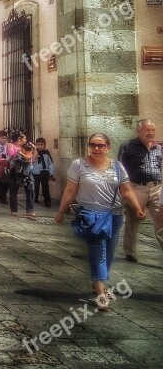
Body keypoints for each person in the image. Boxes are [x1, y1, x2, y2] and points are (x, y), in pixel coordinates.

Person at [55, 133, 146, 311]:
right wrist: (60, 212)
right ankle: (101, 291)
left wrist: (137, 209)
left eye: (100, 145)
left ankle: (99, 282)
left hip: (115, 215)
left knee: (110, 252)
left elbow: (126, 190)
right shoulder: (79, 165)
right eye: (93, 145)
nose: (96, 148)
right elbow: (70, 190)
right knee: (99, 252)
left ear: (108, 147)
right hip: (91, 215)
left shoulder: (118, 167)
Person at [118, 119, 162, 262]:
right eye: (147, 130)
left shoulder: (159, 148)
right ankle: (129, 251)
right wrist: (123, 188)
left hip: (156, 187)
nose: (151, 133)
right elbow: (120, 168)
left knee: (161, 217)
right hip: (136, 186)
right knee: (133, 219)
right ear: (138, 131)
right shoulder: (128, 146)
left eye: (152, 130)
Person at [32, 137, 55, 208]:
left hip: (45, 172)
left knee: (45, 187)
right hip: (35, 172)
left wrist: (51, 173)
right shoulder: (34, 152)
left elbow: (50, 163)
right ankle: (35, 198)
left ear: (44, 145)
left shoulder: (47, 153)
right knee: (36, 186)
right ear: (35, 145)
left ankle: (47, 201)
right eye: (38, 145)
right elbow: (31, 161)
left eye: (42, 145)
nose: (40, 146)